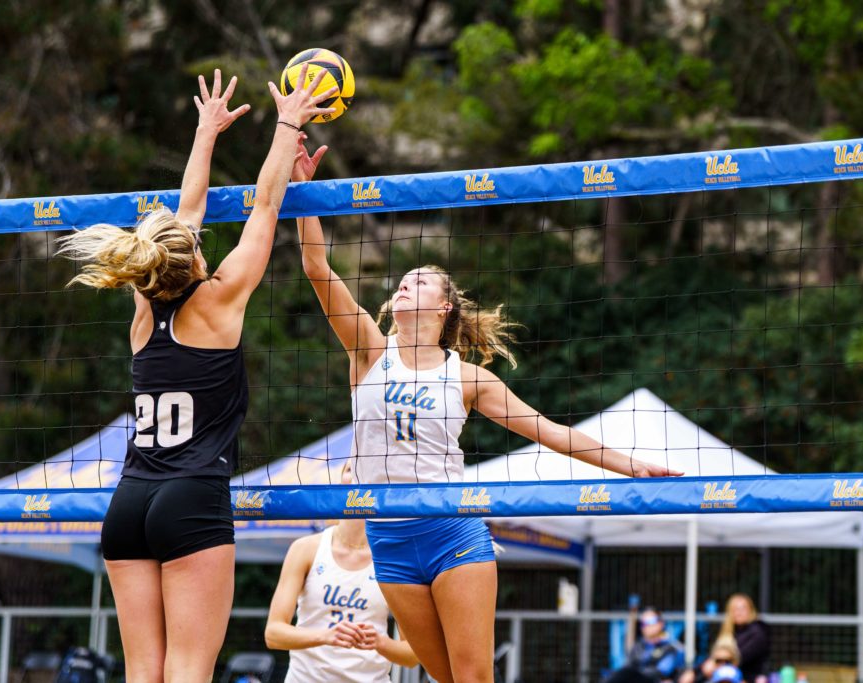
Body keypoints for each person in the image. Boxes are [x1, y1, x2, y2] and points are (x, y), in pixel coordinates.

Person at [293, 145, 682, 683]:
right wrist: (302, 190)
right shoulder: (368, 350)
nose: (405, 283)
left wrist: (631, 464)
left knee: (474, 678)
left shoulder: (468, 377)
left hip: (451, 529)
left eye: (420, 280)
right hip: (389, 535)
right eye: (402, 280)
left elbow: (551, 432)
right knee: (444, 676)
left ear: (443, 306)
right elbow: (316, 265)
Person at [57, 67, 336, 682]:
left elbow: (187, 211)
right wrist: (287, 123)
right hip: (190, 497)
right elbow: (266, 202)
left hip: (129, 501)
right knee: (188, 670)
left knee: (144, 673)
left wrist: (205, 134)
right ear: (196, 255)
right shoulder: (218, 300)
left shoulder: (143, 305)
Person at [265, 462, 419, 682]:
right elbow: (273, 634)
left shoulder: (393, 558)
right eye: (350, 469)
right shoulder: (306, 549)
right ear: (340, 481)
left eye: (365, 470)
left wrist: (380, 642)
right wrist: (326, 636)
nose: (358, 474)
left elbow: (412, 655)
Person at [604, 608, 683, 683]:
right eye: (643, 624)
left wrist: (635, 674)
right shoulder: (638, 646)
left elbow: (661, 672)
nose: (647, 627)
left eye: (651, 622)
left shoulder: (670, 647)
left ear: (661, 623)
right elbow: (628, 666)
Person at [718, 594, 769, 680]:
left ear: (751, 610)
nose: (739, 612)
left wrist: (718, 660)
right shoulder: (729, 631)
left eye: (743, 609)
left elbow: (739, 657)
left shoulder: (757, 631)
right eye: (735, 609)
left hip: (751, 677)